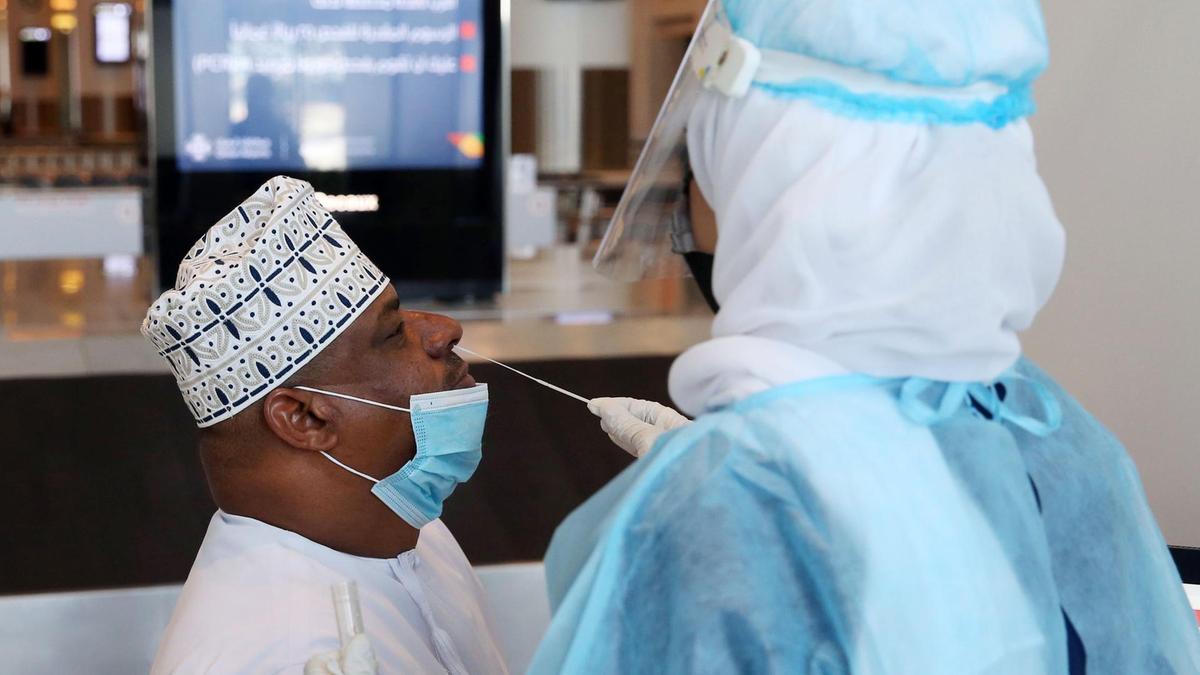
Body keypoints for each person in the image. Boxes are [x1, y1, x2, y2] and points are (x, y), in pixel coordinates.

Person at [536, 1, 1200, 673]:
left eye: (712, 157)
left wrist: (723, 496)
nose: (696, 203)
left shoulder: (724, 505)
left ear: (774, 168)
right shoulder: (1057, 435)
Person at [143, 176, 508, 674]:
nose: (444, 329)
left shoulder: (403, 535)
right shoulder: (273, 653)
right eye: (394, 332)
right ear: (303, 418)